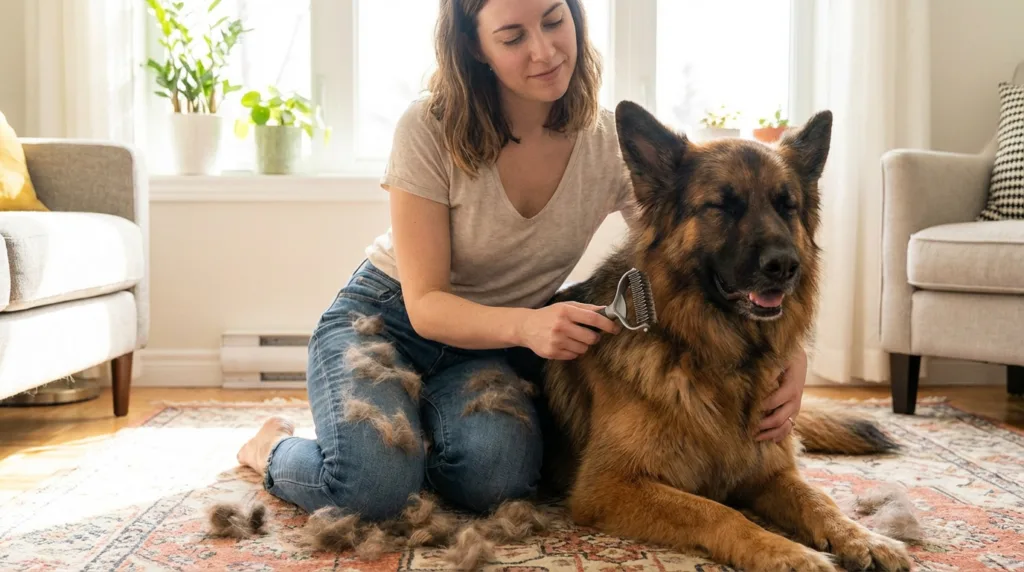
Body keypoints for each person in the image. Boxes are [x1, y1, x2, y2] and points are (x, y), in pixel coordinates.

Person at [237, 0, 809, 521]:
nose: (544, 50)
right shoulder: (427, 127)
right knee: (372, 490)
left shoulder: (608, 142)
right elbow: (428, 305)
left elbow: (689, 261)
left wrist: (793, 356)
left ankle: (412, 442)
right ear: (474, 49)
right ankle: (271, 447)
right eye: (512, 36)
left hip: (490, 349)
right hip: (386, 323)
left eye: (555, 20)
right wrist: (532, 324)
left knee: (498, 479)